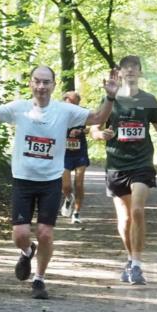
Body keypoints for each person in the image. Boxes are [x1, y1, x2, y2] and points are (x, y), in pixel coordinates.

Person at [0, 64, 118, 299]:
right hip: (23, 180)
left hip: (50, 181)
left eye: (46, 82)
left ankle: (39, 279)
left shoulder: (64, 111)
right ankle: (27, 252)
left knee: (45, 233)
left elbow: (98, 117)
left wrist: (110, 97)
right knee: (20, 235)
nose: (41, 86)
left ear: (54, 85)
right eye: (37, 81)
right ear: (30, 83)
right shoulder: (19, 108)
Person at [89, 55, 157, 285]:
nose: (130, 71)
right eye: (126, 68)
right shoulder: (110, 98)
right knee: (125, 219)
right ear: (120, 72)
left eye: (135, 67)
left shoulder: (149, 99)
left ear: (140, 72)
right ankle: (129, 259)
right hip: (116, 164)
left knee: (137, 210)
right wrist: (101, 134)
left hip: (142, 163)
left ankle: (136, 264)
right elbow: (94, 129)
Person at [59, 91, 90, 224]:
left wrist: (80, 131)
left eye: (74, 103)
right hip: (64, 153)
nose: (71, 105)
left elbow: (89, 128)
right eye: (69, 102)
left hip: (80, 152)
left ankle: (76, 213)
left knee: (79, 184)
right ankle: (68, 198)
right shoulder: (58, 113)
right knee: (66, 186)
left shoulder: (83, 113)